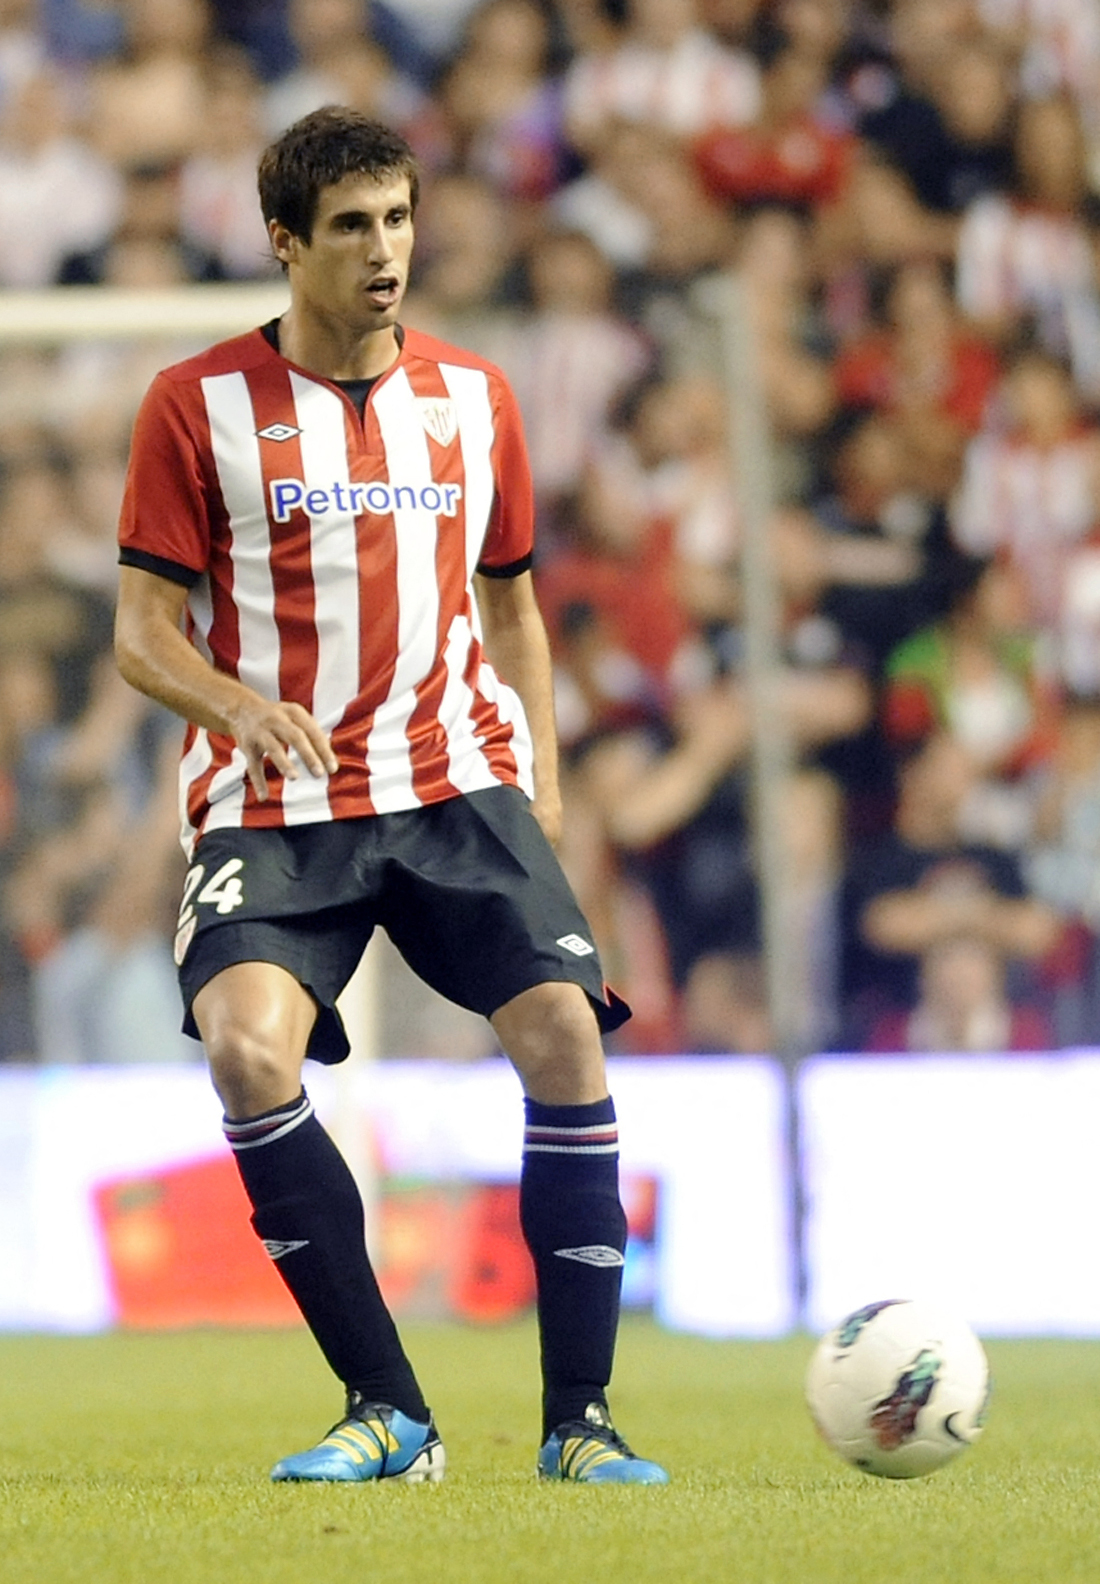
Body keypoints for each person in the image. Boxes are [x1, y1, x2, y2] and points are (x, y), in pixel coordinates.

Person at [113, 106, 668, 1488]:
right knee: (247, 1054)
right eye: (352, 226)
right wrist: (240, 707)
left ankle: (580, 1424)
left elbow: (516, 607)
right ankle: (390, 1411)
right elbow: (139, 633)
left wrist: (537, 774)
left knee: (566, 1037)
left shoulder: (475, 399)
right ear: (287, 243)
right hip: (272, 794)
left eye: (400, 220)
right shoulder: (197, 407)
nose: (385, 252)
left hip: (450, 776)